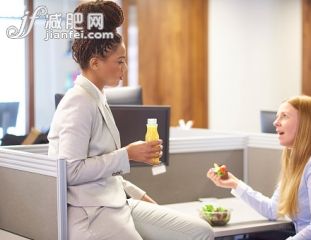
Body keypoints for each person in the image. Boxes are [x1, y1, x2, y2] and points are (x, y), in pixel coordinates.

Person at [47, 1, 214, 239]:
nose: (124, 67)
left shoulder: (98, 97)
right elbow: (71, 171)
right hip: (92, 213)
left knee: (201, 232)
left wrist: (138, 194)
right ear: (95, 63)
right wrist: (128, 155)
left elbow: (104, 172)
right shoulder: (79, 102)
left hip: (115, 200)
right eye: (120, 61)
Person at [207, 95, 311, 239]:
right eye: (277, 116)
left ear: (306, 122)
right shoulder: (296, 160)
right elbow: (273, 209)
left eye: (284, 116)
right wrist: (235, 184)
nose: (275, 123)